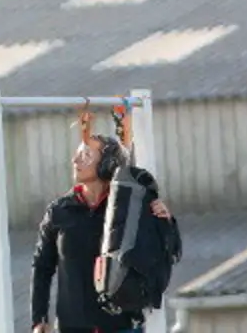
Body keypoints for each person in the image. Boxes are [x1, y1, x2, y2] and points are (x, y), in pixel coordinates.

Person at [30, 134, 176, 333]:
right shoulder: (59, 211)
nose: (76, 160)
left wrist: (165, 222)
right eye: (77, 154)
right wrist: (39, 319)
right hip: (73, 326)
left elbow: (164, 254)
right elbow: (42, 267)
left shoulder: (130, 208)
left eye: (86, 155)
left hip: (122, 325)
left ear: (107, 163)